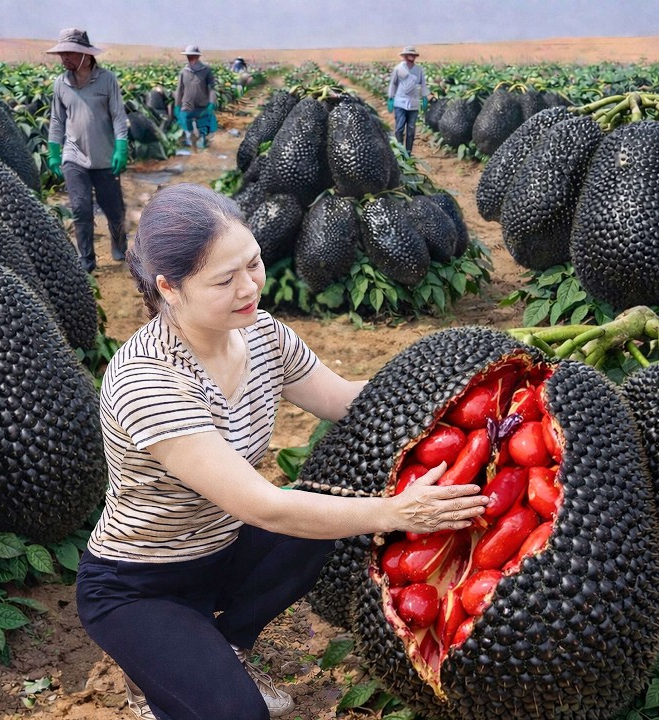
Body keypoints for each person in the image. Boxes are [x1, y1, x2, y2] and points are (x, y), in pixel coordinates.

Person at [76, 184, 490, 720]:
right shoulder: (148, 382)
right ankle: (158, 675)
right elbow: (261, 506)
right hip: (141, 584)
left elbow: (346, 400)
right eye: (225, 280)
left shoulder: (263, 336)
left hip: (221, 551)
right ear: (169, 288)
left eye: (253, 263)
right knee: (239, 714)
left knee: (324, 517)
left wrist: (467, 384)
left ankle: (227, 644)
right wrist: (395, 511)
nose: (250, 286)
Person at [46, 27, 129, 273]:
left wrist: (121, 147)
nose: (64, 58)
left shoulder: (107, 80)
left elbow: (118, 117)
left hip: (105, 158)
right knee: (81, 209)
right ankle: (87, 260)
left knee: (114, 210)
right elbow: (57, 122)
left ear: (85, 55)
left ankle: (119, 246)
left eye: (70, 53)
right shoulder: (61, 84)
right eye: (62, 54)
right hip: (74, 157)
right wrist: (53, 153)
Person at [386, 45, 429, 154]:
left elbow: (423, 84)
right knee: (399, 128)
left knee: (411, 129)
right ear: (405, 56)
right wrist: (391, 98)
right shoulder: (399, 69)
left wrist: (424, 97)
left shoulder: (418, 70)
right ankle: (400, 151)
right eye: (410, 55)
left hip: (414, 103)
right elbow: (393, 84)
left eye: (413, 55)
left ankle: (408, 152)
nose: (412, 57)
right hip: (400, 102)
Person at [174, 45, 217, 150]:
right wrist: (177, 105)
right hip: (187, 104)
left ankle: (202, 142)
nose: (190, 58)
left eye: (192, 56)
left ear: (197, 57)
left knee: (202, 125)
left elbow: (211, 88)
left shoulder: (206, 70)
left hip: (202, 104)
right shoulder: (184, 72)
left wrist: (211, 103)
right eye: (188, 56)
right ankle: (191, 143)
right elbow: (179, 89)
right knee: (186, 124)